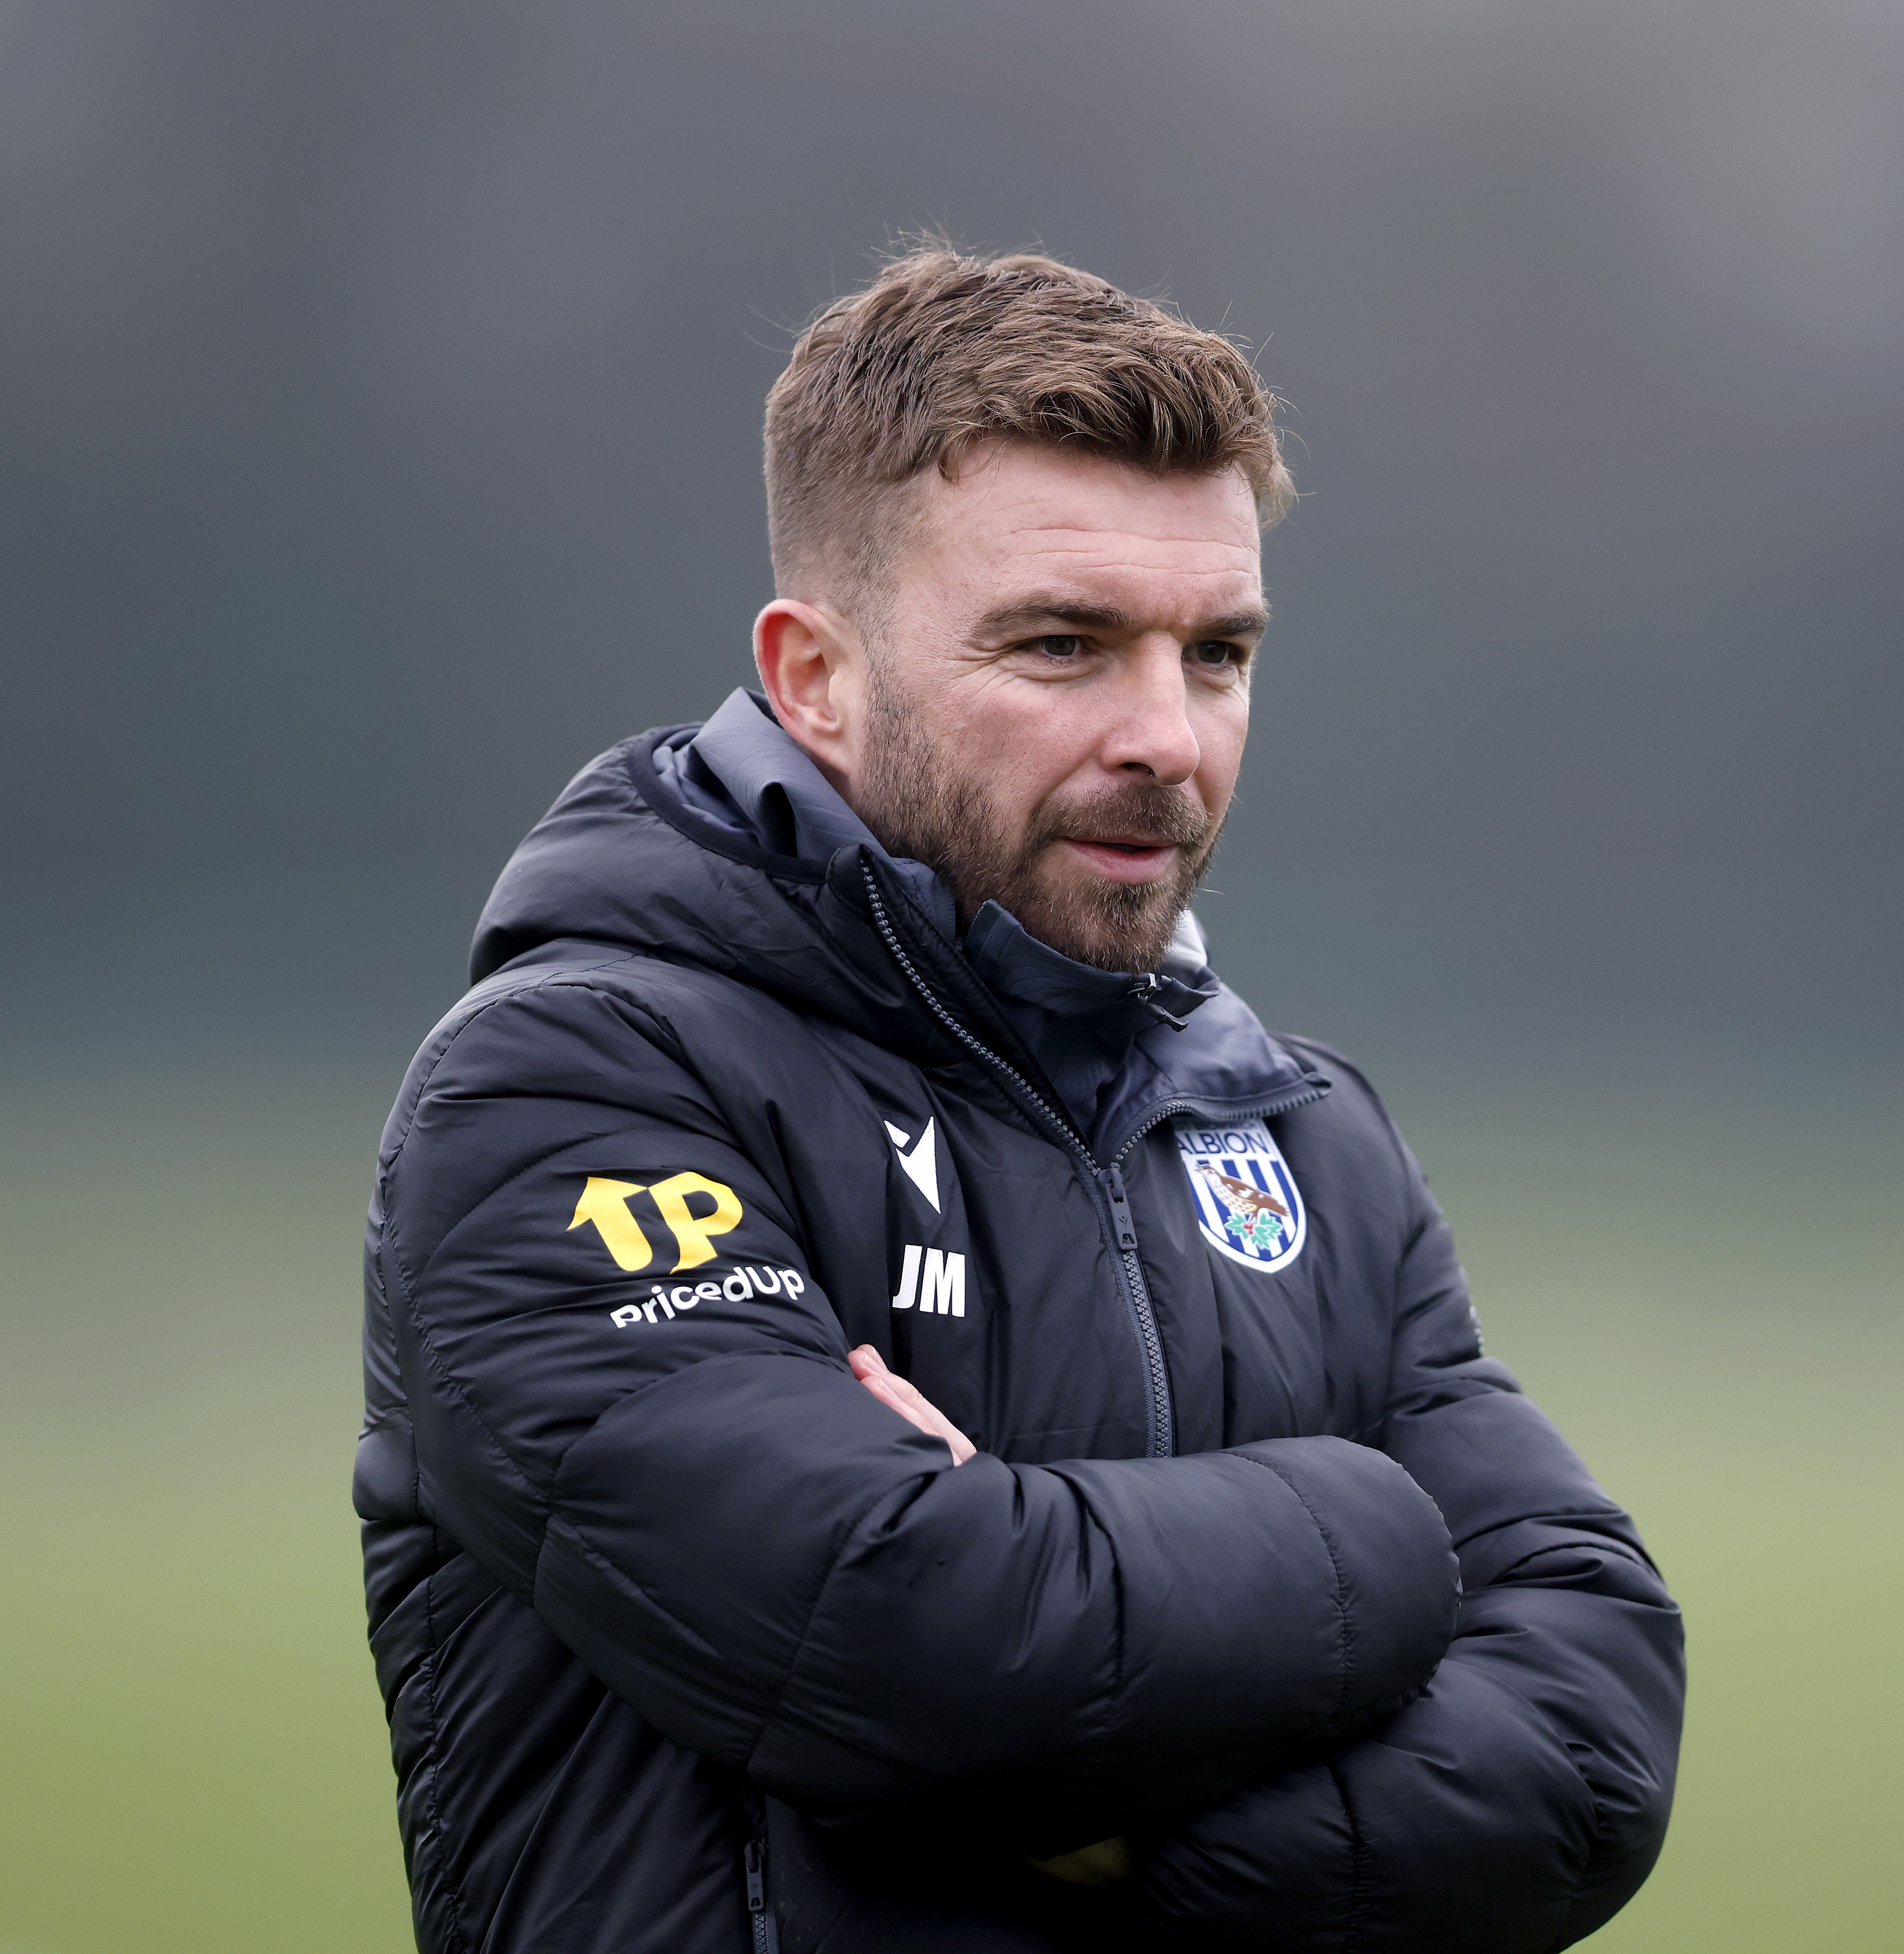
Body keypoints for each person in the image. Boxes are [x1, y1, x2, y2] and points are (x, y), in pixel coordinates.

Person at [355, 244, 1685, 1954]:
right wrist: (1376, 1530)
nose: (1169, 740)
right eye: (1064, 646)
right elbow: (907, 1633)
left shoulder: (1297, 1137)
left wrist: (1119, 1833)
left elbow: (1586, 1748)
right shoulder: (575, 1088)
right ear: (814, 678)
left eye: (1217, 654)